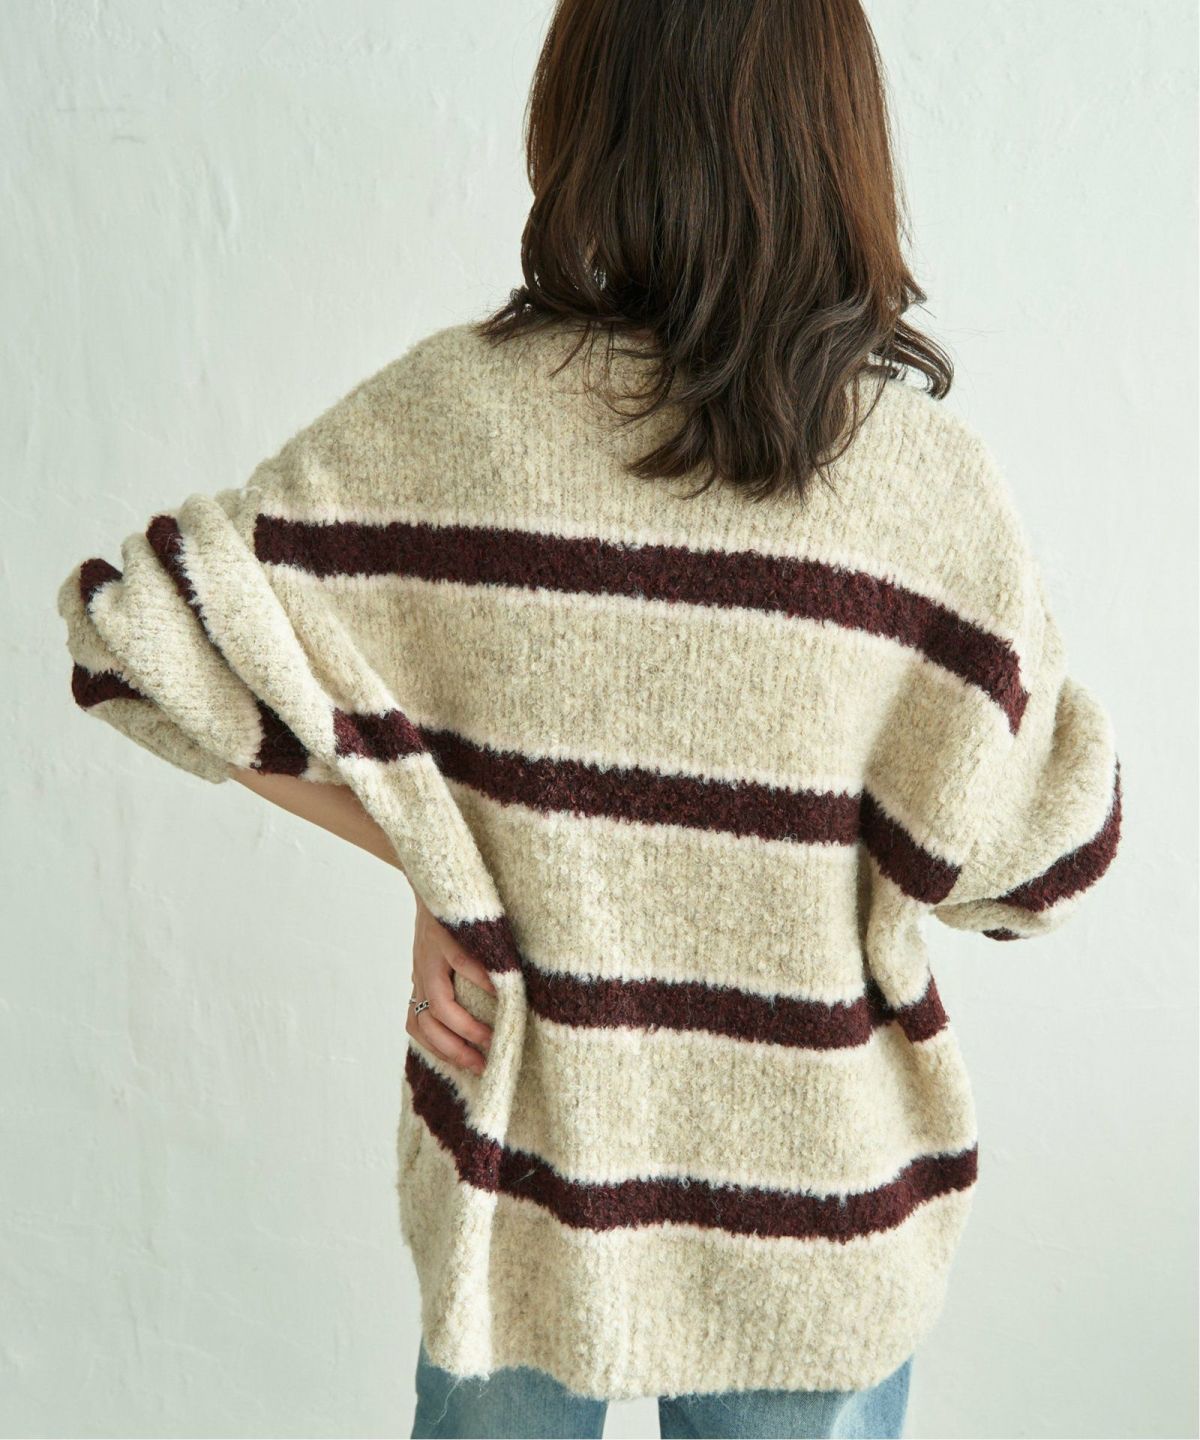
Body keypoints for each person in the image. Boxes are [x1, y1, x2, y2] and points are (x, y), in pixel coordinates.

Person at [57, 0, 1124, 1436]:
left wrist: (447, 865)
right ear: (837, 141)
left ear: (584, 115)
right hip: (815, 1203)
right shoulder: (925, 489)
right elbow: (1048, 861)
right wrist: (448, 858)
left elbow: (135, 630)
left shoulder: (451, 420)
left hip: (523, 1175)